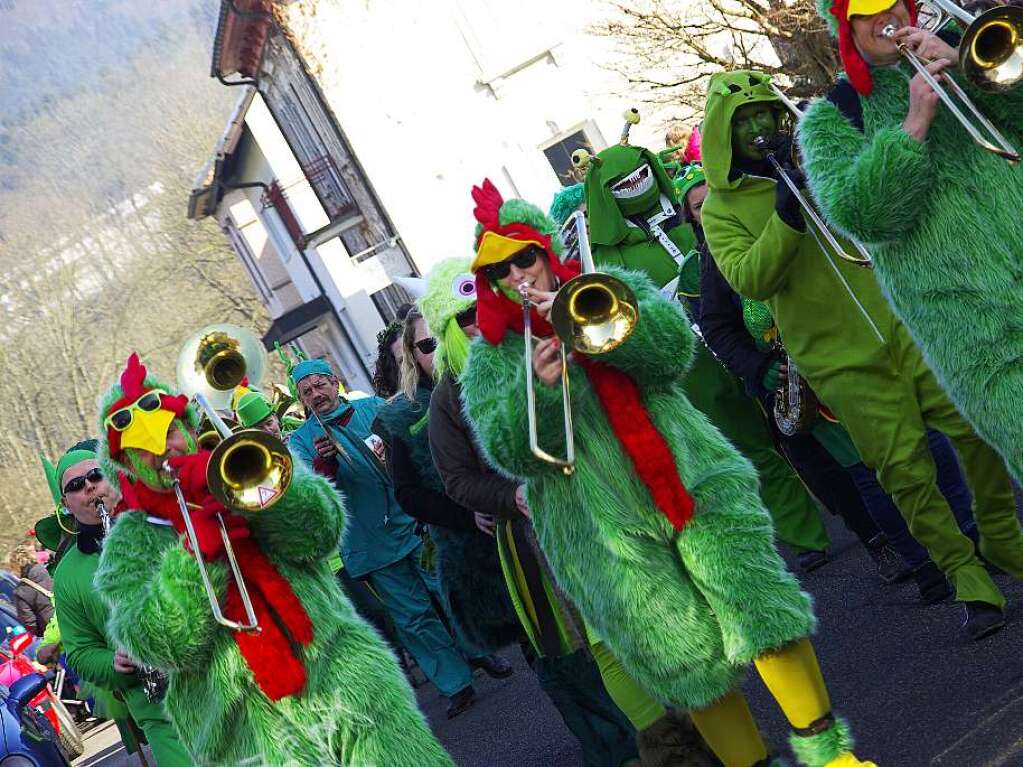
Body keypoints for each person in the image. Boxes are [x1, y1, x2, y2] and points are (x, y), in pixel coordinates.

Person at [460, 179, 876, 767]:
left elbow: (675, 352)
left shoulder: (609, 287)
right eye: (501, 269)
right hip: (599, 531)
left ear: (546, 252)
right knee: (685, 659)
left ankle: (829, 754)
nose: (518, 276)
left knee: (759, 612)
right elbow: (512, 455)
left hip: (690, 480)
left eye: (525, 256)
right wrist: (543, 391)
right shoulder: (490, 357)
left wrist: (594, 333)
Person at [699, 68, 1021, 639]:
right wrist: (785, 214)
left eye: (763, 115)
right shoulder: (720, 211)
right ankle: (967, 578)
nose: (757, 128)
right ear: (724, 134)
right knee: (906, 474)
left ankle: (1000, 534)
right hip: (839, 361)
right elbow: (750, 278)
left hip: (905, 327)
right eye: (742, 121)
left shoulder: (818, 154)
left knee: (973, 432)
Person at [422, 256, 715, 767]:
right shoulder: (448, 397)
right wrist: (507, 498)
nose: (476, 322)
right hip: (540, 534)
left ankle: (712, 722)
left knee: (660, 613)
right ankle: (668, 748)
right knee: (597, 640)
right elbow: (458, 479)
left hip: (610, 497)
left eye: (480, 308)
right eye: (462, 317)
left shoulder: (537, 338)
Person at [92, 354, 453, 765]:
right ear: (125, 465)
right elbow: (160, 644)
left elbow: (321, 532)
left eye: (172, 431)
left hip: (343, 674)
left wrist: (255, 497)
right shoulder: (127, 544)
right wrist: (196, 556)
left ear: (190, 431)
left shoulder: (241, 463)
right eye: (145, 447)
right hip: (244, 730)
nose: (165, 449)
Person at [678, 161, 976, 600]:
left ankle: (972, 541)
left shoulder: (790, 200)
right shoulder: (710, 261)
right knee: (867, 470)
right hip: (807, 378)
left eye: (715, 198)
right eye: (701, 207)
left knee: (927, 440)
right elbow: (719, 327)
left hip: (865, 347)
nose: (712, 209)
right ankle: (927, 567)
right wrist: (760, 369)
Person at [577, 128, 838, 570]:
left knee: (782, 441)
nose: (635, 185)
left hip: (741, 338)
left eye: (642, 173)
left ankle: (818, 532)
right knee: (722, 461)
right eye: (620, 184)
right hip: (685, 368)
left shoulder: (694, 209)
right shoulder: (604, 255)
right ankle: (764, 552)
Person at [799, 0, 1023, 498]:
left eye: (894, 2)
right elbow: (863, 216)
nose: (887, 15)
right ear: (845, 26)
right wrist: (913, 124)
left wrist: (970, 70)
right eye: (868, 10)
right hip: (975, 331)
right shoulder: (831, 118)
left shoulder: (964, 57)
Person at [287, 355, 479, 718]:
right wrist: (324, 465)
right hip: (371, 544)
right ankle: (456, 684)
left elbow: (412, 449)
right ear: (302, 399)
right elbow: (309, 495)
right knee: (413, 617)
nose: (316, 394)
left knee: (448, 589)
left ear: (334, 382)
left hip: (414, 522)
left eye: (320, 385)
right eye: (307, 391)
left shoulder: (373, 407)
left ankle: (479, 651)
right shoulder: (301, 442)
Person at [376, 306, 520, 669]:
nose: (437, 351)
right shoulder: (400, 415)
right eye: (426, 345)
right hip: (475, 553)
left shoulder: (500, 374)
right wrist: (467, 515)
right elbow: (408, 494)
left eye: (442, 338)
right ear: (412, 356)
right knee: (552, 657)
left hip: (535, 524)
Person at [48, 439, 190, 767]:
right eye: (76, 486)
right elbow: (80, 651)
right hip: (158, 710)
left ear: (111, 475)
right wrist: (113, 662)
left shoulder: (162, 521)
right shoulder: (67, 574)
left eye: (96, 476)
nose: (90, 488)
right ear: (66, 502)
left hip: (216, 680)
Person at [8, 542, 54, 638]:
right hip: (75, 616)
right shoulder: (50, 570)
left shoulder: (21, 591)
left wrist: (43, 634)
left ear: (17, 565)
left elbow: (30, 623)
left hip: (54, 630)